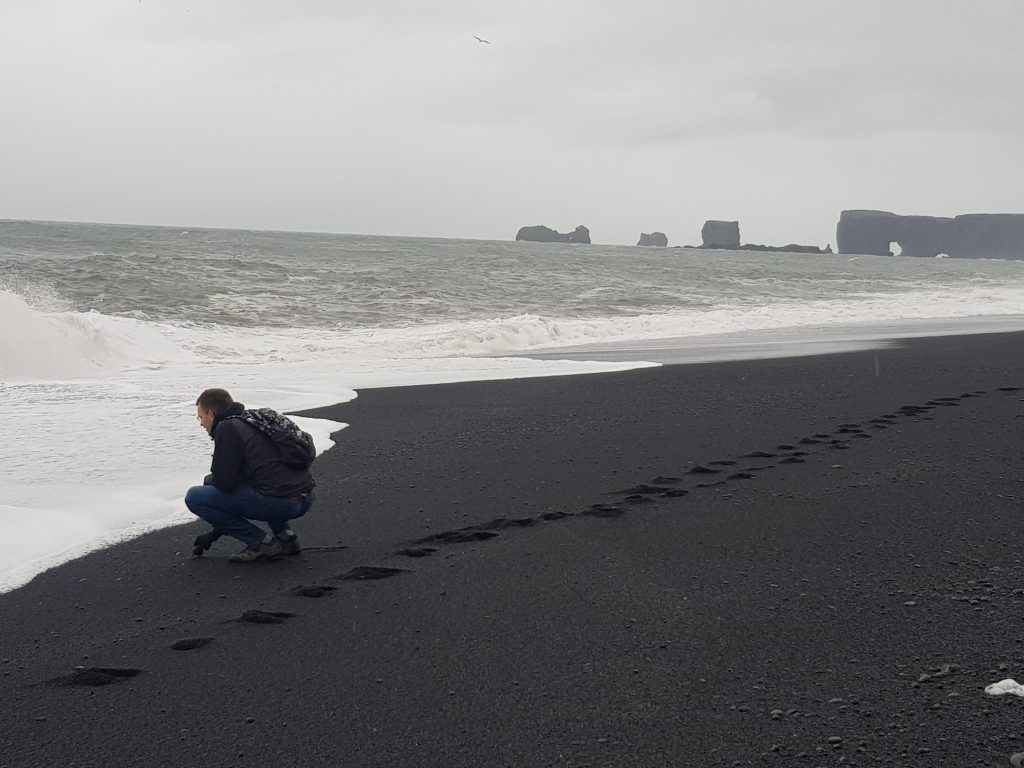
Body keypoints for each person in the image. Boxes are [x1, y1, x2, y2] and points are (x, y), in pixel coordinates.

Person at [185, 388, 316, 562]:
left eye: (200, 417)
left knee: (194, 496)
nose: (201, 423)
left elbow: (225, 483)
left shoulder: (227, 428)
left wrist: (214, 532)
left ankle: (260, 543)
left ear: (211, 414)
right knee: (267, 482)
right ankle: (286, 538)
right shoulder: (255, 419)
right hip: (305, 497)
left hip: (282, 502)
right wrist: (213, 534)